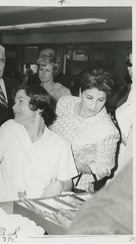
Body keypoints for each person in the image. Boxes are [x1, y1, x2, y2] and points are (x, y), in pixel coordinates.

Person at [0, 85, 77, 203]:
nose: (13, 107)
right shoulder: (9, 129)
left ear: (39, 106)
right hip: (5, 205)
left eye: (20, 101)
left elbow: (68, 183)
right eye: (14, 102)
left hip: (40, 208)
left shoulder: (60, 144)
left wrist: (59, 185)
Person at [50, 64, 120, 192]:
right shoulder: (65, 103)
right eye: (89, 98)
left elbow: (104, 168)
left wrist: (76, 165)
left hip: (76, 188)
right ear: (81, 91)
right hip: (45, 175)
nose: (93, 106)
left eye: (101, 100)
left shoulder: (107, 130)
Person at [113, 47, 133, 177]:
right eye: (130, 64)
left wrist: (116, 130)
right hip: (119, 158)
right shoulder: (129, 89)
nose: (131, 69)